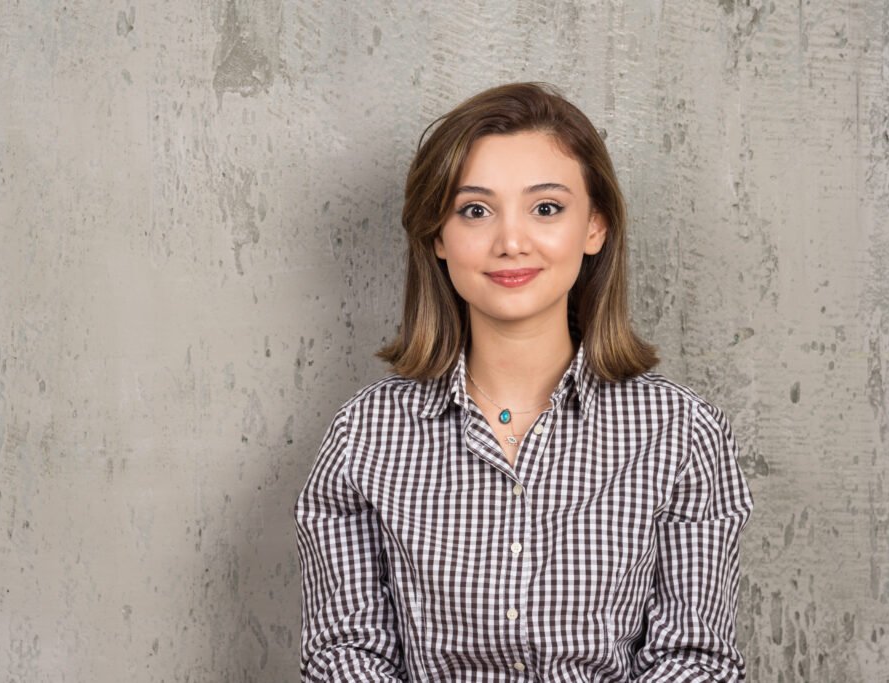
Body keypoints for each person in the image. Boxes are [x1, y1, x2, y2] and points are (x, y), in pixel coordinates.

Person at [293, 82, 754, 682]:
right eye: (475, 211)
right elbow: (344, 656)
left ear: (595, 226)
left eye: (546, 208)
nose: (511, 242)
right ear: (438, 235)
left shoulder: (682, 433)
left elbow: (695, 660)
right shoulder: (366, 434)